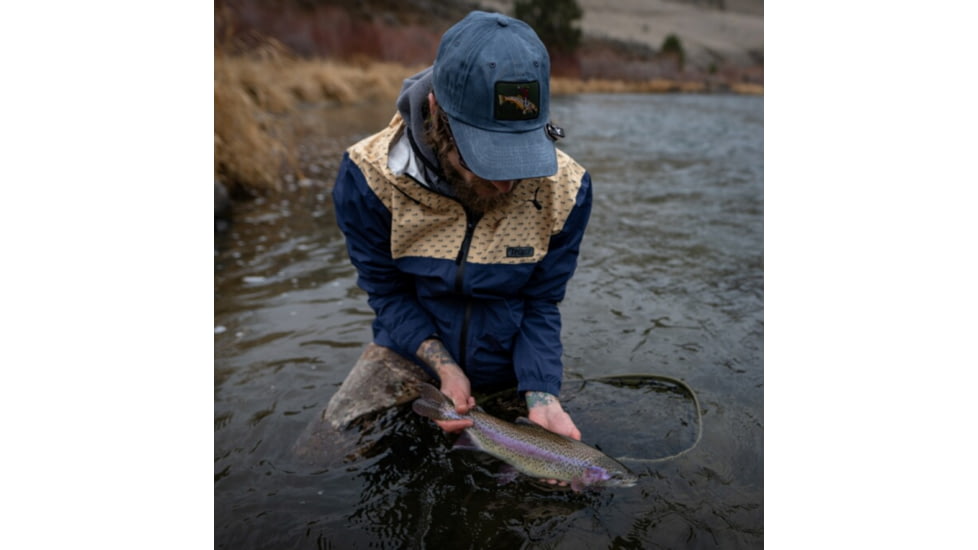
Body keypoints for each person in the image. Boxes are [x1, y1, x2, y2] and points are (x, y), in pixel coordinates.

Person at [329, 11, 593, 444]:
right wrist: (445, 368)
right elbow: (387, 292)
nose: (505, 183)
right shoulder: (369, 178)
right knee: (324, 454)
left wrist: (541, 392)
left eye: (519, 156)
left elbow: (541, 301)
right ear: (436, 112)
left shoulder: (566, 191)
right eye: (485, 157)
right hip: (408, 353)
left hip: (509, 366)